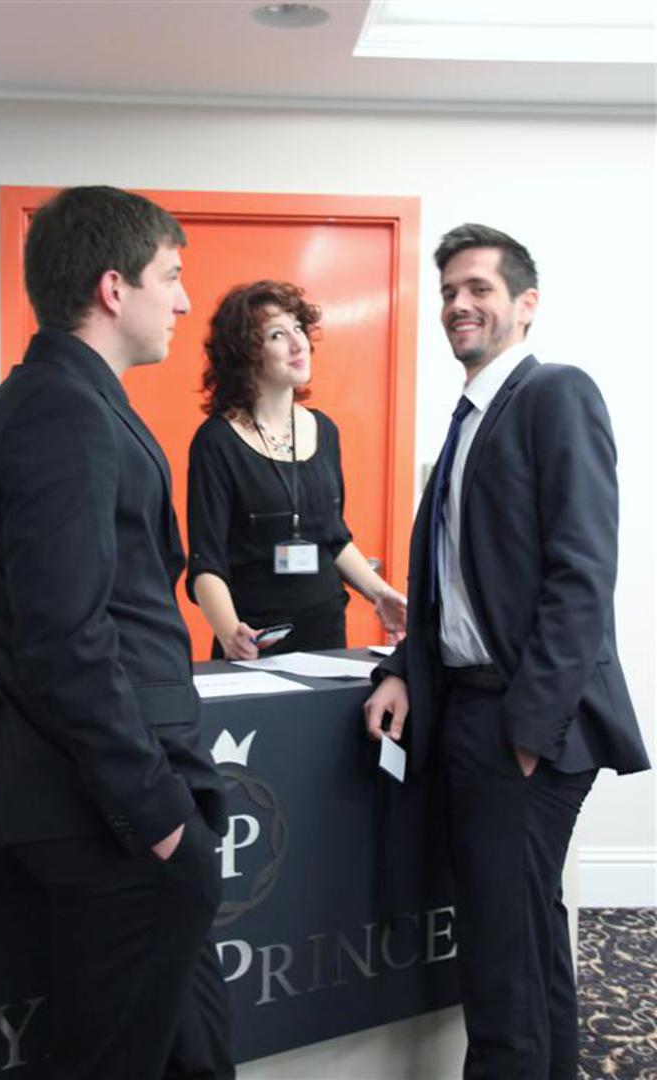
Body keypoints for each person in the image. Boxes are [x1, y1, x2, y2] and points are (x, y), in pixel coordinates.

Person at [0, 186, 234, 1080]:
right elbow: (66, 641)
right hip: (109, 816)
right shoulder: (59, 411)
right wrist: (158, 817)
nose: (184, 302)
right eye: (171, 276)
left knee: (194, 1053)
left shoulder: (67, 399)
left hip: (122, 807)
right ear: (114, 288)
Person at [364, 224, 650, 1079]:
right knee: (520, 938)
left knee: (498, 956)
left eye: (479, 288)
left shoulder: (555, 393)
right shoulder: (467, 422)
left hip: (521, 723)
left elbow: (582, 575)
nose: (459, 303)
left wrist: (528, 732)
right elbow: (454, 586)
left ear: (526, 305)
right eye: (449, 291)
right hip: (471, 709)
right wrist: (401, 670)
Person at [187, 279, 407, 660]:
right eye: (277, 334)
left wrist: (380, 594)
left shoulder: (324, 429)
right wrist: (229, 631)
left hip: (326, 634)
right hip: (255, 639)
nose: (298, 343)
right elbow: (207, 561)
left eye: (299, 329)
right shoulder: (217, 441)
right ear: (246, 352)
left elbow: (334, 538)